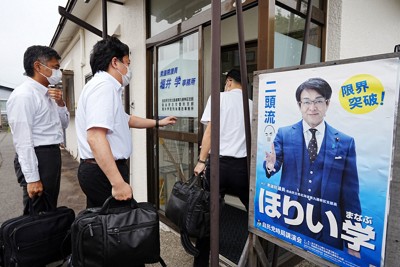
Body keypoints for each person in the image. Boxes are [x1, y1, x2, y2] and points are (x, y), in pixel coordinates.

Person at [263, 77, 361, 257]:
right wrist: (270, 166)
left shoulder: (345, 142)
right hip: (290, 215)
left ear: (327, 104)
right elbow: (274, 163)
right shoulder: (284, 134)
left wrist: (354, 240)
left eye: (318, 101)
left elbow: (351, 195)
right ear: (300, 105)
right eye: (306, 102)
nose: (312, 107)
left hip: (327, 224)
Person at [75, 37, 177, 209]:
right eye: (127, 63)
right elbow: (95, 137)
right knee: (119, 227)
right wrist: (117, 183)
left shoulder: (102, 87)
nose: (128, 69)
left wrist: (158, 123)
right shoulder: (104, 87)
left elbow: (126, 119)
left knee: (104, 228)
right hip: (103, 172)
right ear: (115, 62)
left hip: (99, 169)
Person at [193, 69, 252, 266]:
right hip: (242, 167)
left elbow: (210, 131)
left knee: (209, 215)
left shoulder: (219, 98)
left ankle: (201, 262)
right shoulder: (251, 104)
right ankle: (256, 255)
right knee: (253, 212)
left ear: (229, 81)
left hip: (218, 166)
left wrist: (201, 161)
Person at [7, 45, 69, 209]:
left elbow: (64, 124)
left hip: (51, 155)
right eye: (55, 67)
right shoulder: (24, 95)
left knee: (49, 209)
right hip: (38, 156)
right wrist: (32, 178)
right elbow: (22, 140)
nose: (58, 72)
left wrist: (61, 103)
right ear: (38, 66)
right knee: (37, 214)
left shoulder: (48, 94)